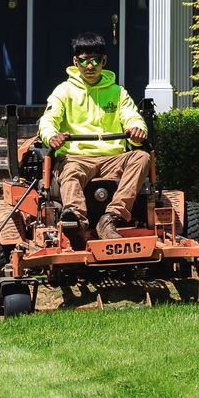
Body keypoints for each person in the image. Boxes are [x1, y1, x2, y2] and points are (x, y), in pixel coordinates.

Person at [38, 32, 150, 241]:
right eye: (84, 61)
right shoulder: (63, 91)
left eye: (96, 61)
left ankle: (110, 218)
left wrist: (136, 130)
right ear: (75, 61)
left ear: (104, 61)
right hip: (76, 158)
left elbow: (132, 117)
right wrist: (52, 136)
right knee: (70, 171)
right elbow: (48, 121)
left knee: (142, 157)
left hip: (113, 158)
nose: (90, 66)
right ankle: (76, 223)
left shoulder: (118, 92)